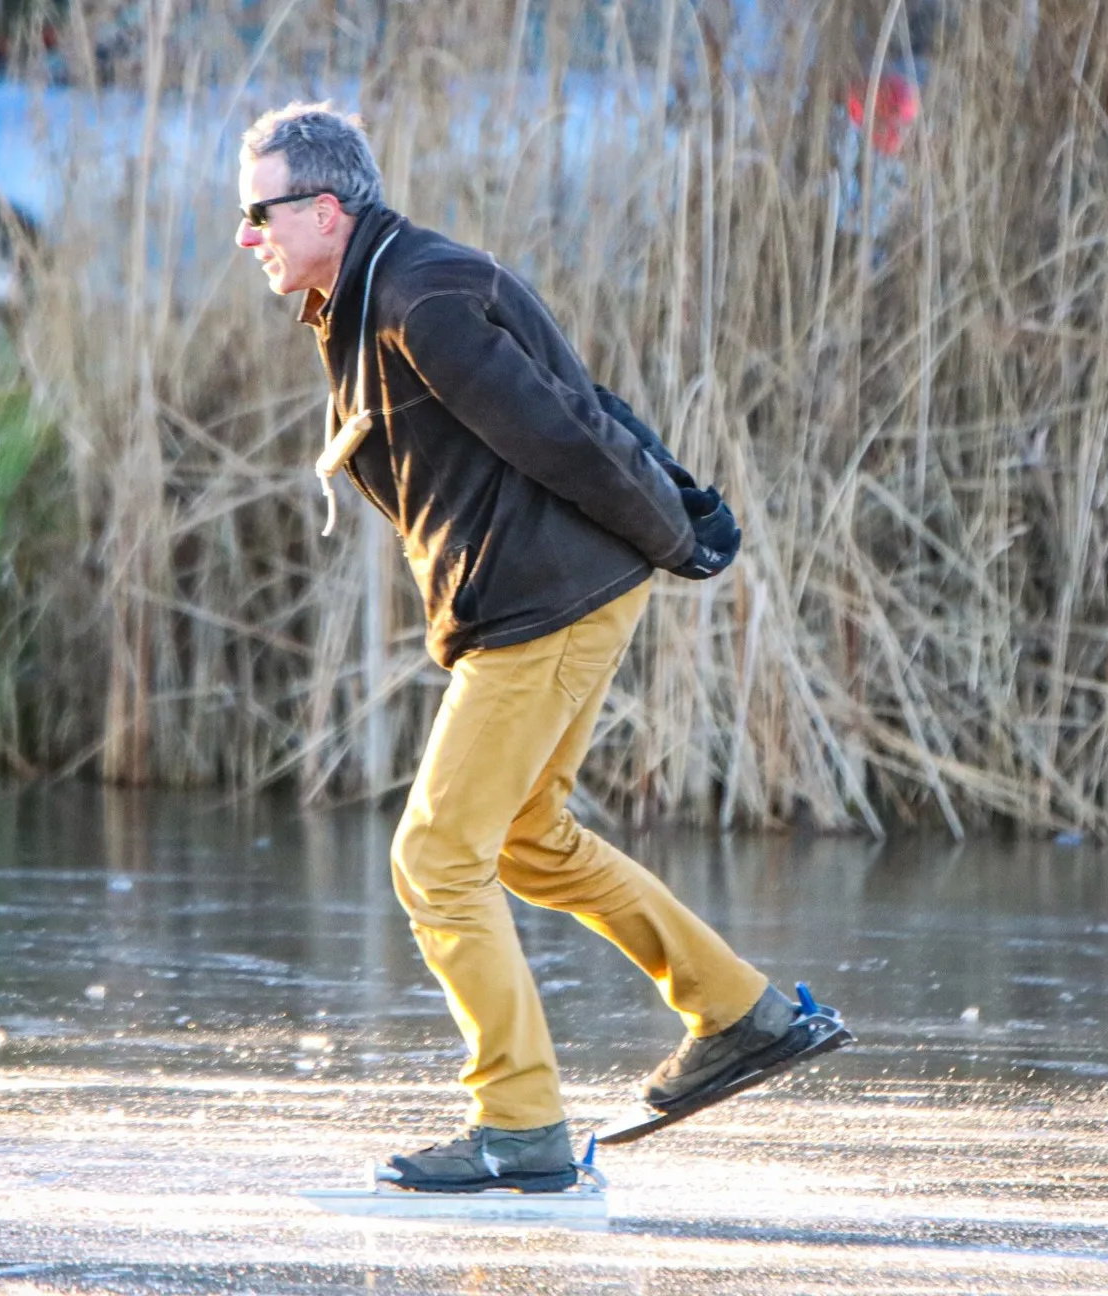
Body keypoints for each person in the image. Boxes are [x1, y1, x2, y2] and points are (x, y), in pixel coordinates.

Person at [235, 102, 843, 1193]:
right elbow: (572, 396)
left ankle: (518, 1124)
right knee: (524, 839)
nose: (248, 235)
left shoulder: (419, 300)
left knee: (436, 858)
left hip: (545, 606)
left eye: (260, 210)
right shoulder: (380, 289)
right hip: (545, 597)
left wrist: (674, 530)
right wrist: (671, 511)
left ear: (325, 209)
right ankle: (740, 1012)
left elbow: (561, 428)